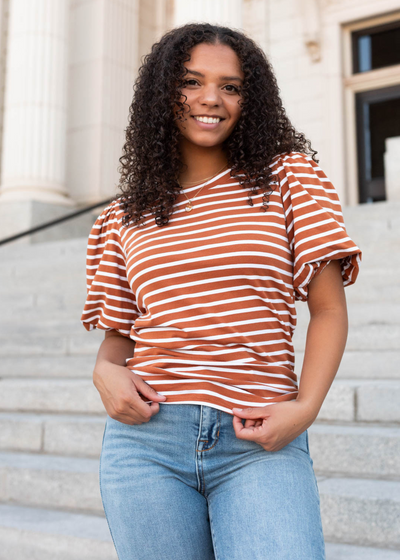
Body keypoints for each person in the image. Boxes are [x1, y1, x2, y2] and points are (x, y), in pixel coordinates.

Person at [81, 23, 362, 560]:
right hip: (147, 444)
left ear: (249, 99)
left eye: (231, 86)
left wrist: (305, 408)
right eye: (191, 81)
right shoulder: (122, 216)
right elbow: (120, 337)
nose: (211, 98)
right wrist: (104, 371)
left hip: (260, 437)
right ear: (163, 93)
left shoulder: (288, 179)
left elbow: (327, 309)